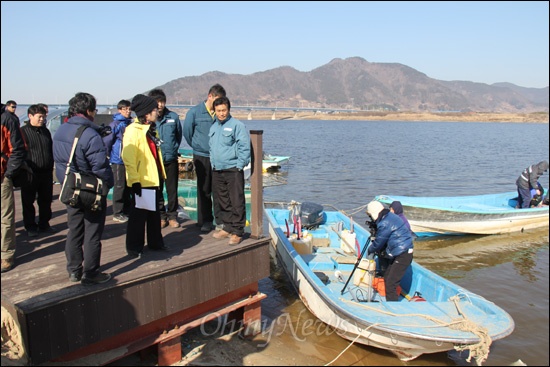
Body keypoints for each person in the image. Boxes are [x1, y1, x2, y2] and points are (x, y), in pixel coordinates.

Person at [53, 92, 114, 285]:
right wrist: (108, 184)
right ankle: (91, 272)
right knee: (92, 231)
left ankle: (73, 270)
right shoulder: (89, 134)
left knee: (74, 229)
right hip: (89, 190)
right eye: (94, 110)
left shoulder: (61, 130)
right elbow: (100, 167)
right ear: (88, 111)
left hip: (69, 187)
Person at [122, 94, 168, 258]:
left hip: (153, 178)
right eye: (155, 109)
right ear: (147, 113)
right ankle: (134, 247)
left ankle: (155, 242)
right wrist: (134, 180)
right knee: (138, 216)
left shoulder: (150, 129)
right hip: (141, 180)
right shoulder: (133, 131)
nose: (157, 111)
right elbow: (128, 158)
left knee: (154, 213)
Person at [183, 84, 227, 232]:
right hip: (201, 156)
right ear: (210, 96)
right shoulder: (195, 112)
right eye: (217, 100)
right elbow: (187, 133)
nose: (218, 104)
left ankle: (220, 221)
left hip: (218, 157)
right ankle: (205, 221)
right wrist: (198, 146)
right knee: (203, 189)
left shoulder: (220, 113)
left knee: (219, 189)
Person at [210, 96, 251, 245]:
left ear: (228, 110)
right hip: (217, 169)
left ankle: (238, 231)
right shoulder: (214, 126)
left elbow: (244, 147)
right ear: (214, 111)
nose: (221, 113)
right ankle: (227, 227)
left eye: (224, 110)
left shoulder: (237, 125)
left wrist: (240, 165)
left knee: (236, 200)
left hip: (233, 169)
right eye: (218, 111)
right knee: (223, 200)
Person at [366, 200, 413, 302]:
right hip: (401, 251)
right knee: (387, 277)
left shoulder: (384, 222)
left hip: (403, 253)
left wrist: (370, 250)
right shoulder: (390, 216)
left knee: (391, 283)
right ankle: (392, 301)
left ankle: (393, 306)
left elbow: (378, 243)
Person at [148, 89, 182, 229]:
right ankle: (161, 216)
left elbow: (178, 136)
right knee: (158, 189)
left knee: (172, 189)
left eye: (162, 101)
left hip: (170, 159)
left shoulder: (173, 117)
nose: (160, 105)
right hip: (156, 161)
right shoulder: (149, 120)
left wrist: (173, 149)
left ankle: (173, 216)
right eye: (157, 102)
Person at [20, 104, 54, 237]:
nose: (42, 119)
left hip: (46, 172)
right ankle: (30, 226)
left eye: (43, 117)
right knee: (28, 201)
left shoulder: (45, 131)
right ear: (30, 116)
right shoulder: (23, 132)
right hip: (30, 172)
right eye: (39, 117)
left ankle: (44, 224)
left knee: (45, 200)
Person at [1, 100, 26, 272]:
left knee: (5, 217)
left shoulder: (7, 119)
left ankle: (6, 254)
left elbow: (18, 148)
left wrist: (8, 173)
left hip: (2, 175)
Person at [103, 100, 133, 223]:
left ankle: (126, 209)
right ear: (119, 110)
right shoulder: (115, 124)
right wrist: (108, 156)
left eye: (129, 109)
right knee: (119, 186)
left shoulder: (130, 123)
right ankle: (117, 212)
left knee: (128, 186)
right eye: (125, 109)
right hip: (118, 159)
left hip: (129, 159)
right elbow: (107, 141)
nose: (128, 111)